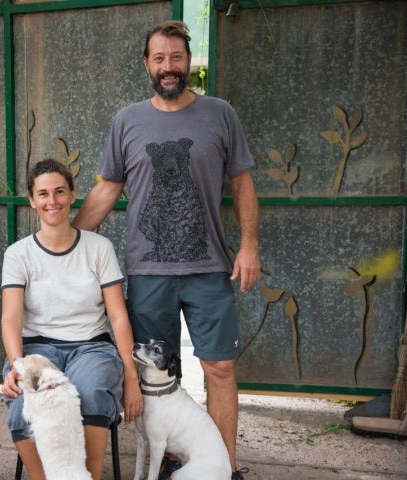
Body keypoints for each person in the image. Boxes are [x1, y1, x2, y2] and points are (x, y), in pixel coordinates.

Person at [72, 21, 260, 480]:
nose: (168, 66)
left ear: (188, 60)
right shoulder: (128, 121)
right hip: (148, 271)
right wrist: (70, 240)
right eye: (159, 58)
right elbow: (107, 189)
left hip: (209, 266)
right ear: (147, 64)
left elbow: (242, 182)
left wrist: (250, 245)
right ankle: (170, 459)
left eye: (176, 57)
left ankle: (223, 468)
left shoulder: (220, 114)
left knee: (218, 366)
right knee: (156, 375)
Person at [0, 159, 142, 480]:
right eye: (44, 194)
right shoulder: (18, 254)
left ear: (73, 195)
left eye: (60, 192)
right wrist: (17, 363)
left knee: (92, 394)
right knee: (23, 404)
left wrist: (131, 377)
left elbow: (118, 316)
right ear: (32, 200)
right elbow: (10, 317)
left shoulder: (99, 248)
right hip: (37, 351)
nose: (53, 201)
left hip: (91, 348)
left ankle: (87, 477)